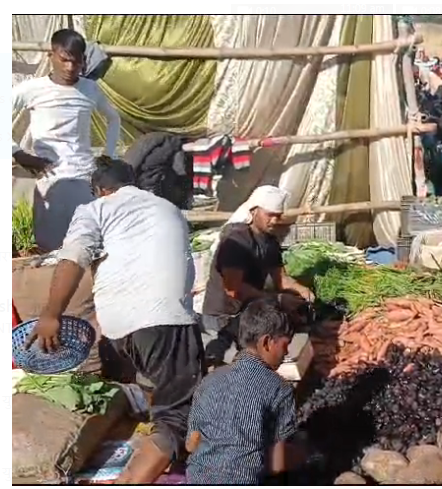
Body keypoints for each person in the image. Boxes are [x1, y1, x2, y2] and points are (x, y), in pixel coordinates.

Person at [27, 157, 203, 484]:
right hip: (168, 320)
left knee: (155, 382)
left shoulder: (95, 210)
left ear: (99, 189)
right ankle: (136, 476)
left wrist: (52, 314)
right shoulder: (168, 208)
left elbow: (75, 256)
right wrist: (51, 314)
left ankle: (153, 447)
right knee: (176, 419)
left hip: (119, 328)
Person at [11, 28, 121, 252]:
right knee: (52, 249)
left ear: (83, 61)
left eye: (77, 62)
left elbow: (114, 119)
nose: (70, 68)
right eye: (64, 60)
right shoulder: (33, 89)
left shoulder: (89, 89)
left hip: (84, 178)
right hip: (50, 180)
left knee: (87, 245)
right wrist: (18, 153)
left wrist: (108, 155)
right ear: (51, 56)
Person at [186, 297, 299, 484]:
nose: (286, 353)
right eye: (285, 345)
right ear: (267, 342)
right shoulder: (280, 388)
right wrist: (305, 454)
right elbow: (278, 462)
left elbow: (192, 444)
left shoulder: (209, 381)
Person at [201, 185, 314, 366]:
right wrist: (277, 299)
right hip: (223, 317)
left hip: (247, 315)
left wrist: (301, 290)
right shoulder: (236, 241)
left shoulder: (269, 242)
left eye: (278, 215)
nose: (275, 220)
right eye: (270, 215)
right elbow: (233, 290)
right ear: (254, 211)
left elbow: (281, 279)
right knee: (229, 365)